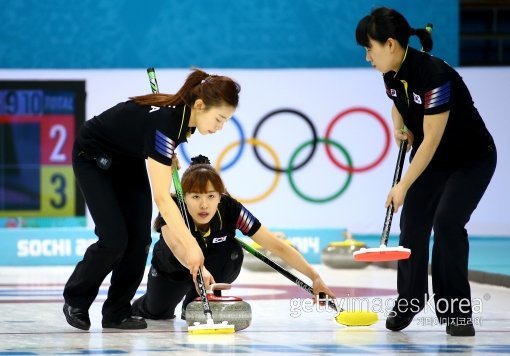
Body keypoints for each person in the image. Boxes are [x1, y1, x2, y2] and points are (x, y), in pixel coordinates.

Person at [63, 69, 241, 330]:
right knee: (114, 240)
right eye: (219, 119)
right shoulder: (167, 124)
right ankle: (75, 300)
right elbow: (163, 199)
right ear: (200, 105)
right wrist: (190, 245)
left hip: (128, 159)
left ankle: (116, 311)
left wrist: (163, 153)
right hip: (94, 156)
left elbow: (151, 138)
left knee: (140, 241)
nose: (220, 127)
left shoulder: (183, 119)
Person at [356, 7, 497, 337]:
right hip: (433, 162)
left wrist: (403, 185)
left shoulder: (436, 76)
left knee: (447, 223)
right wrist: (399, 125)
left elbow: (432, 139)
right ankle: (409, 301)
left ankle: (456, 311)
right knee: (413, 225)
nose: (367, 57)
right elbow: (398, 103)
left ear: (390, 44)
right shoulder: (391, 73)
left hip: (471, 160)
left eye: (369, 48)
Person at [132, 155, 335, 321]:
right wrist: (198, 268)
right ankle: (145, 305)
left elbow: (277, 246)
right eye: (195, 196)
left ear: (220, 196)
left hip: (211, 267)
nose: (204, 205)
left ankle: (194, 302)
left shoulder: (231, 209)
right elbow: (177, 246)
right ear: (183, 196)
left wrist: (314, 277)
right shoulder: (173, 209)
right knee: (157, 313)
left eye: (211, 196)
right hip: (173, 268)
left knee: (232, 251)